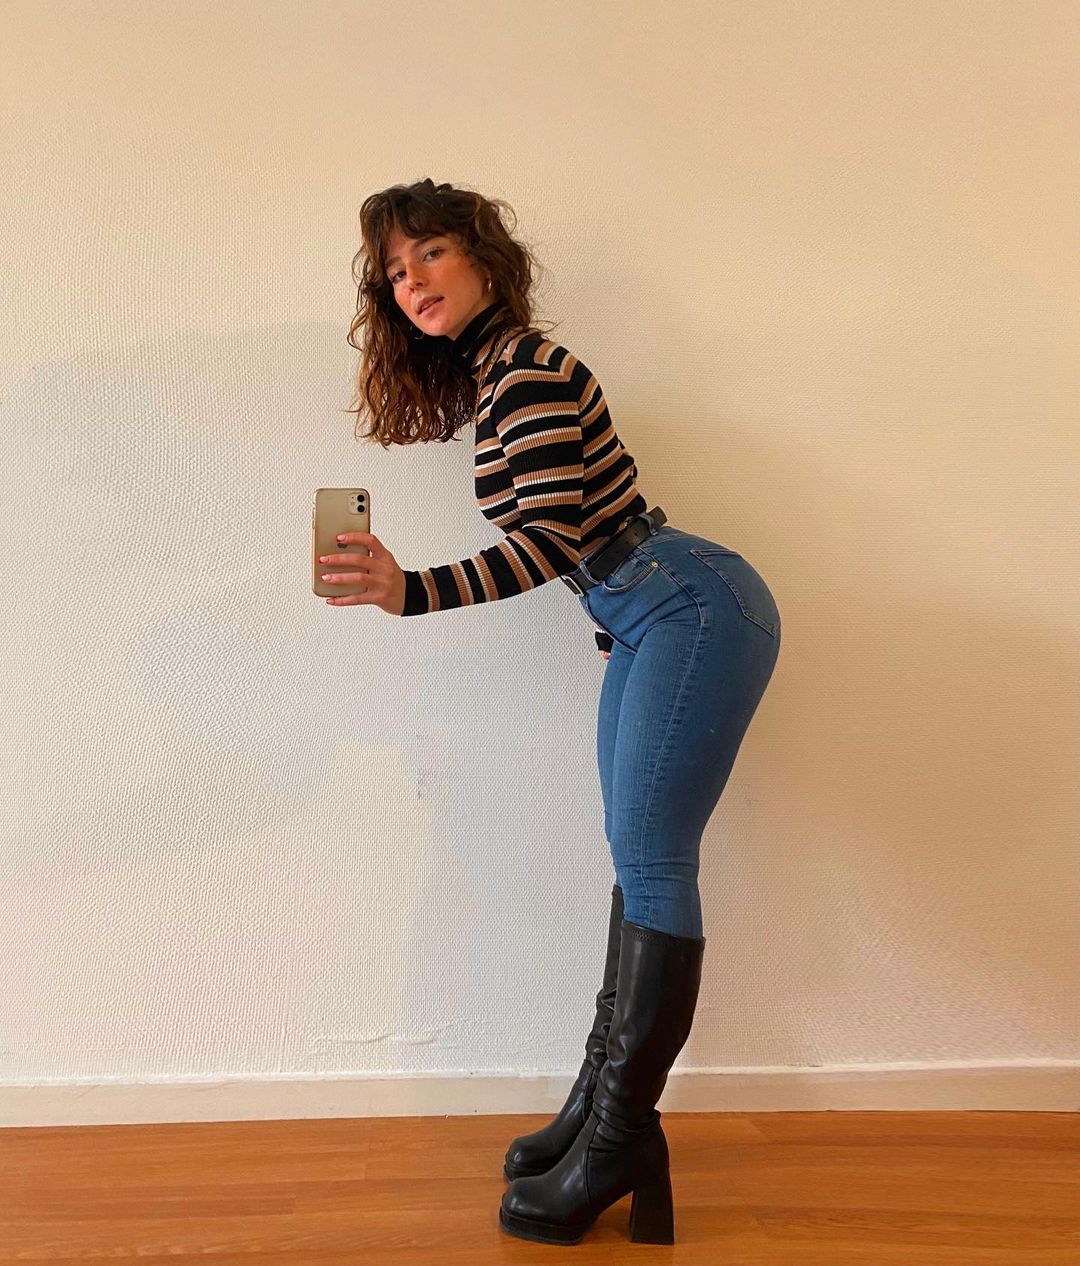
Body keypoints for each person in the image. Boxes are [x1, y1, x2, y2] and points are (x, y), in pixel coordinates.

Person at [332, 177, 782, 1246]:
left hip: (688, 606)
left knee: (654, 862)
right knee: (637, 860)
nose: (412, 282)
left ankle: (620, 1137)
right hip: (651, 613)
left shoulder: (527, 370)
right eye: (394, 272)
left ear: (484, 259)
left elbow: (544, 543)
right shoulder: (501, 375)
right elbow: (574, 539)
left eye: (431, 253)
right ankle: (599, 1114)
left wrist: (411, 591)